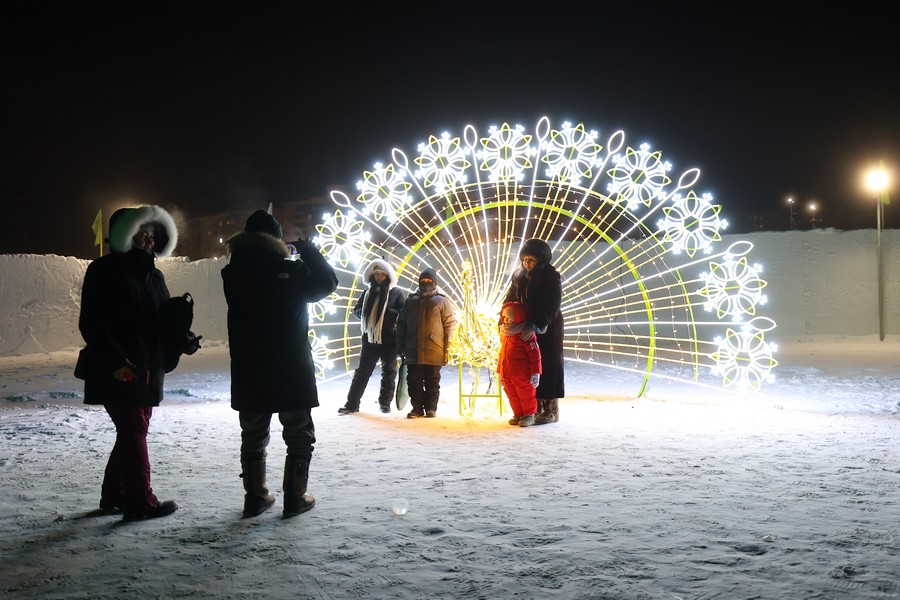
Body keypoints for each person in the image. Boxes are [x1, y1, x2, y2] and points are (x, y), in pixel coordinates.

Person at [221, 210, 338, 518]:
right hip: (291, 366)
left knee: (253, 436)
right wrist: (308, 249)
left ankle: (256, 496)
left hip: (250, 368)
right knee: (298, 434)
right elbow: (327, 282)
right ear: (276, 240)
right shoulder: (291, 272)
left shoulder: (232, 274)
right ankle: (295, 497)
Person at [76, 204, 183, 521]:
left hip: (150, 367)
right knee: (133, 428)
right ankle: (140, 502)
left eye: (151, 234)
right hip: (119, 369)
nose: (148, 241)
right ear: (125, 236)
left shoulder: (155, 274)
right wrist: (115, 362)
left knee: (133, 430)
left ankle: (116, 493)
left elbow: (160, 320)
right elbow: (92, 324)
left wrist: (180, 337)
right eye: (141, 234)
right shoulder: (104, 271)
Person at [503, 238, 565, 425]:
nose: (526, 263)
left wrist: (536, 324)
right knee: (529, 369)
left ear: (541, 259)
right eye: (524, 259)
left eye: (531, 260)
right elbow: (509, 300)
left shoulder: (550, 276)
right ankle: (532, 408)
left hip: (548, 329)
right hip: (524, 329)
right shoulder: (519, 276)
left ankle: (550, 410)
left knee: (547, 367)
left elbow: (552, 305)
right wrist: (504, 318)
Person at [338, 259, 407, 415]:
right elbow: (357, 310)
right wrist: (366, 314)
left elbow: (404, 316)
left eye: (382, 275)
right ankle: (352, 404)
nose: (379, 278)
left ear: (388, 276)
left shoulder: (397, 293)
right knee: (362, 372)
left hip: (390, 340)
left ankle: (385, 403)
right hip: (370, 339)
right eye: (377, 275)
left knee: (389, 373)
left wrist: (389, 315)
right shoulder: (368, 292)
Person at [397, 268, 457, 419]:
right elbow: (402, 324)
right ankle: (417, 408)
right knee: (413, 380)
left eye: (429, 281)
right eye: (423, 280)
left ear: (434, 282)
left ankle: (431, 408)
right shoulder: (410, 301)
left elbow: (450, 324)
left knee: (432, 380)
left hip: (434, 349)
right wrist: (400, 345)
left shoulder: (442, 301)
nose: (425, 283)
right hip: (413, 348)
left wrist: (448, 347)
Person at [497, 301, 542, 427]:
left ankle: (529, 415)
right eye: (504, 317)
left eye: (509, 317)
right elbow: (502, 354)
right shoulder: (505, 333)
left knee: (526, 395)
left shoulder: (525, 334)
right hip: (508, 374)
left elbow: (535, 355)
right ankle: (518, 414)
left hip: (522, 374)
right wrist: (499, 371)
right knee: (512, 395)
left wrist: (535, 372)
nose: (505, 320)